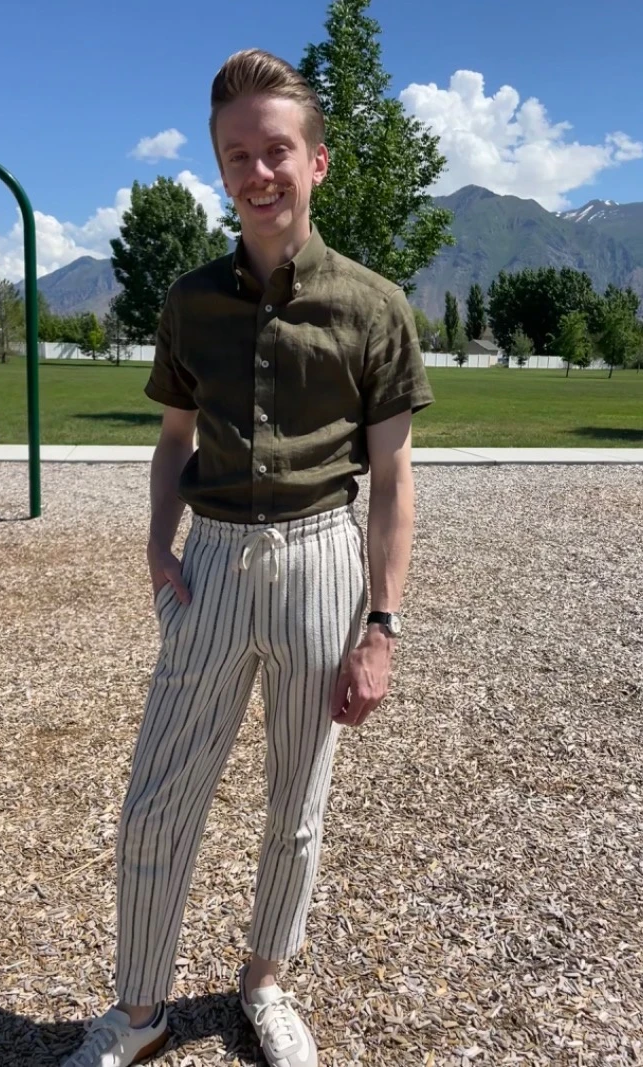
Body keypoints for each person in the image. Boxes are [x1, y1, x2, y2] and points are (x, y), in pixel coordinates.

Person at [63, 47, 433, 1067]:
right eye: (237, 155)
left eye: (276, 150)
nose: (257, 172)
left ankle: (265, 984)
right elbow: (174, 437)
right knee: (155, 801)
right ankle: (138, 1010)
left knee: (296, 801)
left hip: (324, 563)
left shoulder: (373, 308)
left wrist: (380, 626)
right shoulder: (190, 303)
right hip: (215, 563)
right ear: (220, 167)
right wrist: (155, 546)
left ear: (317, 161)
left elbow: (393, 481)